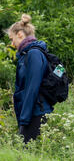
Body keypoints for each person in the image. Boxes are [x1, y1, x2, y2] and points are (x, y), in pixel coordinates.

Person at [8, 14, 53, 144]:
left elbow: (32, 87)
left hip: (36, 113)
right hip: (31, 112)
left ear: (20, 34)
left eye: (12, 39)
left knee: (28, 151)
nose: (12, 44)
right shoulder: (26, 54)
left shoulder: (34, 54)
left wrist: (24, 119)